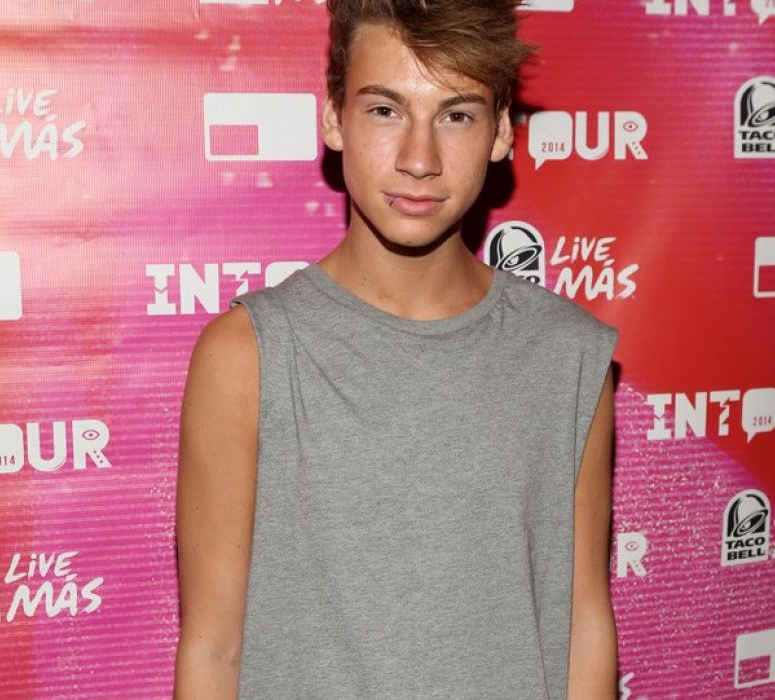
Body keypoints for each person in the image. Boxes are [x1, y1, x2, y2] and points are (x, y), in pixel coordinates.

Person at [174, 1, 618, 698]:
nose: (419, 159)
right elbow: (213, 649)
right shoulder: (247, 357)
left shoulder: (568, 356)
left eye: (456, 115)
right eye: (385, 111)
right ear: (333, 118)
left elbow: (582, 626)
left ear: (502, 131)